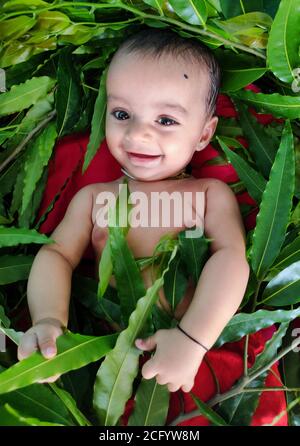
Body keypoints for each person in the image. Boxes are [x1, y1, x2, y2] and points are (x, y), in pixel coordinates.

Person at [17, 28, 250, 393]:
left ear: (204, 135)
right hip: (107, 362)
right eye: (122, 113)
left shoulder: (207, 195)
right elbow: (57, 254)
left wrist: (193, 339)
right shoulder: (94, 198)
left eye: (166, 120)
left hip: (196, 358)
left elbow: (232, 259)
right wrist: (48, 318)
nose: (138, 134)